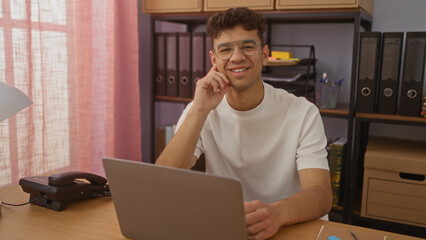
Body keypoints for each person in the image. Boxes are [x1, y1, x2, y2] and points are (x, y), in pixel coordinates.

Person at [156, 7, 332, 240]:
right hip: (231, 230)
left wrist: (277, 213)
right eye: (225, 49)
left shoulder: (303, 113)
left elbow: (321, 194)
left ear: (265, 54)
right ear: (213, 59)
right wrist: (199, 109)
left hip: (290, 228)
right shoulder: (200, 108)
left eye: (248, 46)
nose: (237, 57)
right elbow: (162, 182)